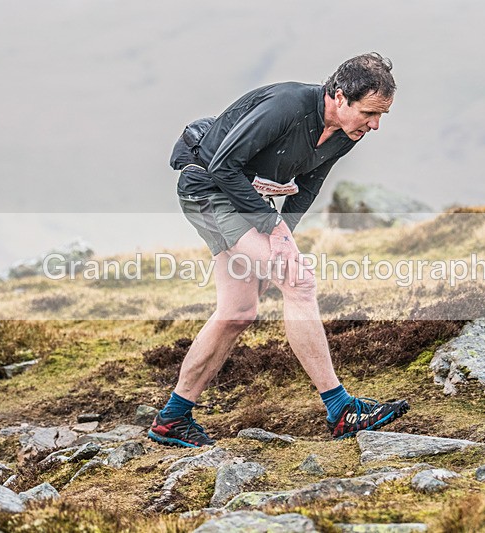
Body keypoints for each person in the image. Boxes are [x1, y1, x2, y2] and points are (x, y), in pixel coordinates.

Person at [149, 52, 409, 448]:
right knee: (299, 282)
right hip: (209, 190)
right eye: (370, 112)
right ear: (339, 97)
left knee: (238, 312)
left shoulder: (345, 133)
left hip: (246, 199)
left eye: (382, 116)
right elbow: (222, 166)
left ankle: (171, 419)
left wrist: (282, 239)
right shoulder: (286, 106)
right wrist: (274, 233)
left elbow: (306, 187)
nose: (375, 125)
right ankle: (341, 411)